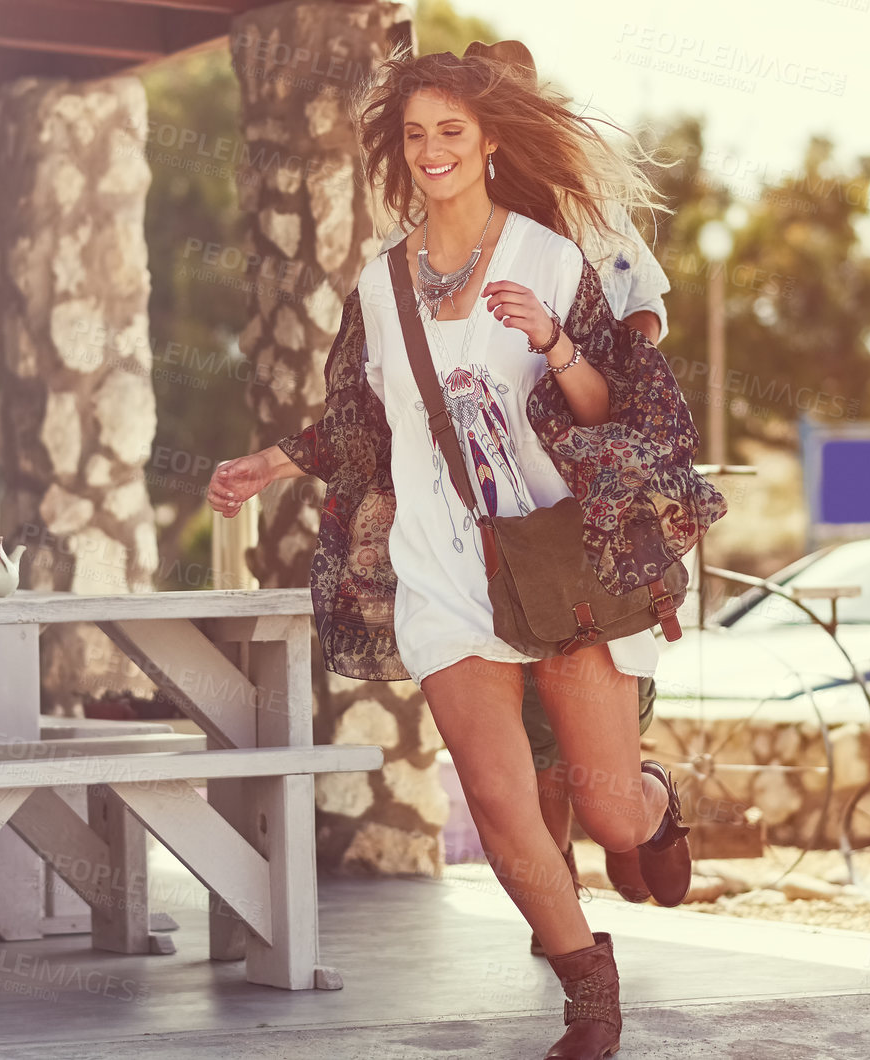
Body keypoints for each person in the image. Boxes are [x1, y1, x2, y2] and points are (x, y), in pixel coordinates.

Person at [206, 43, 726, 1060]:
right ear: (398, 154)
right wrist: (273, 458)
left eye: (452, 131)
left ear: (488, 139)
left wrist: (555, 343)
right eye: (415, 136)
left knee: (609, 814)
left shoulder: (550, 257)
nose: (433, 150)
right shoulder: (378, 283)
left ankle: (655, 812)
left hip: (560, 555)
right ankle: (586, 992)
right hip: (441, 566)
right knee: (495, 797)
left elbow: (623, 408)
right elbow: (359, 423)